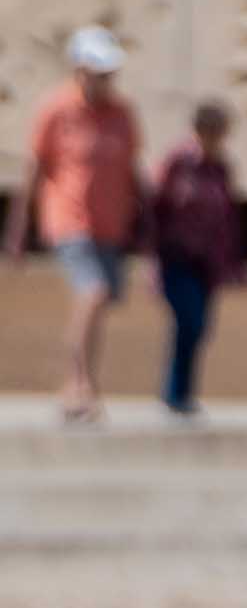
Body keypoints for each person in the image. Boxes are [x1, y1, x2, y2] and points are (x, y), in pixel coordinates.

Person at [8, 26, 143, 427]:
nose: (106, 81)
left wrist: (143, 222)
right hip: (68, 218)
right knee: (93, 292)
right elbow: (35, 169)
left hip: (110, 224)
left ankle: (87, 382)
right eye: (98, 72)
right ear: (79, 70)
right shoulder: (56, 109)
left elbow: (131, 171)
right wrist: (18, 230)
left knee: (99, 305)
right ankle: (74, 384)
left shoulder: (122, 114)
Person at [148, 100, 247, 419]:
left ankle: (184, 392)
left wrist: (237, 260)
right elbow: (157, 205)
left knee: (200, 326)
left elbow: (229, 217)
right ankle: (175, 392)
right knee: (188, 318)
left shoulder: (221, 168)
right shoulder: (178, 162)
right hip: (176, 255)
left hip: (208, 260)